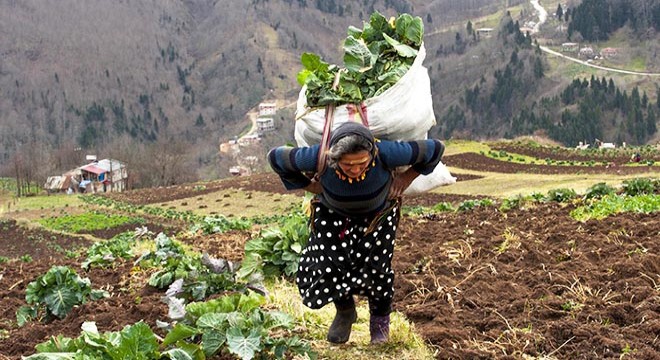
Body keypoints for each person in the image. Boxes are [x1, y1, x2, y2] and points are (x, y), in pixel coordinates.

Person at [267, 121, 444, 344]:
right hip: (333, 219)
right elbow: (276, 158)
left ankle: (379, 325)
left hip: (378, 220)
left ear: (372, 153)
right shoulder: (317, 157)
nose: (355, 169)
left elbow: (435, 149)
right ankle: (345, 311)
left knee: (378, 271)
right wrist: (308, 185)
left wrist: (406, 178)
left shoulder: (387, 153)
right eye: (347, 165)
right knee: (327, 266)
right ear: (333, 159)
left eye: (362, 163)